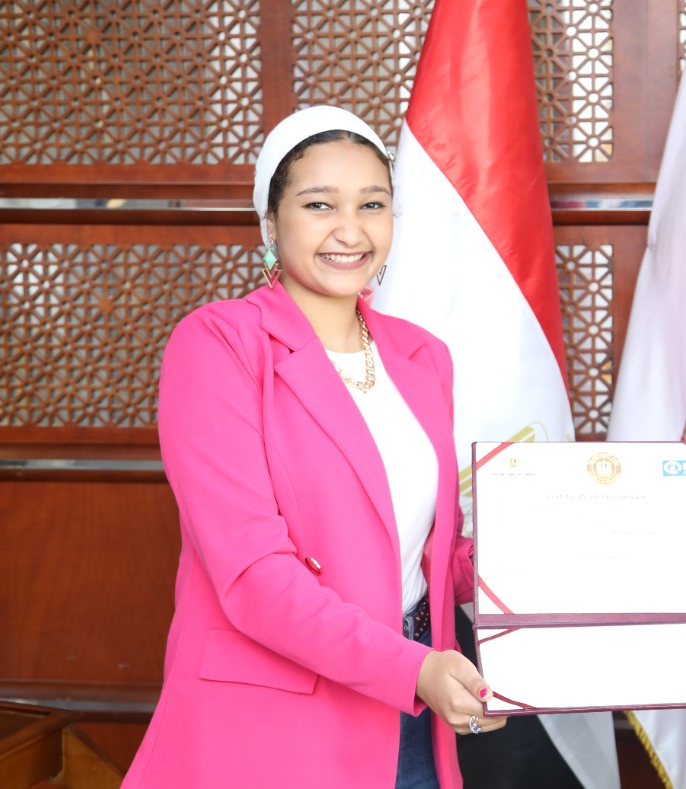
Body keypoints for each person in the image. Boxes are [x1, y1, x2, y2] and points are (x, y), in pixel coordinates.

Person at [123, 106, 505, 789]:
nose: (350, 230)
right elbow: (253, 575)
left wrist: (553, 566)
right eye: (319, 204)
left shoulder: (422, 356)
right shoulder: (219, 344)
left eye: (372, 204)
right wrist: (412, 669)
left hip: (417, 709)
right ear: (271, 222)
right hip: (277, 721)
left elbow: (430, 550)